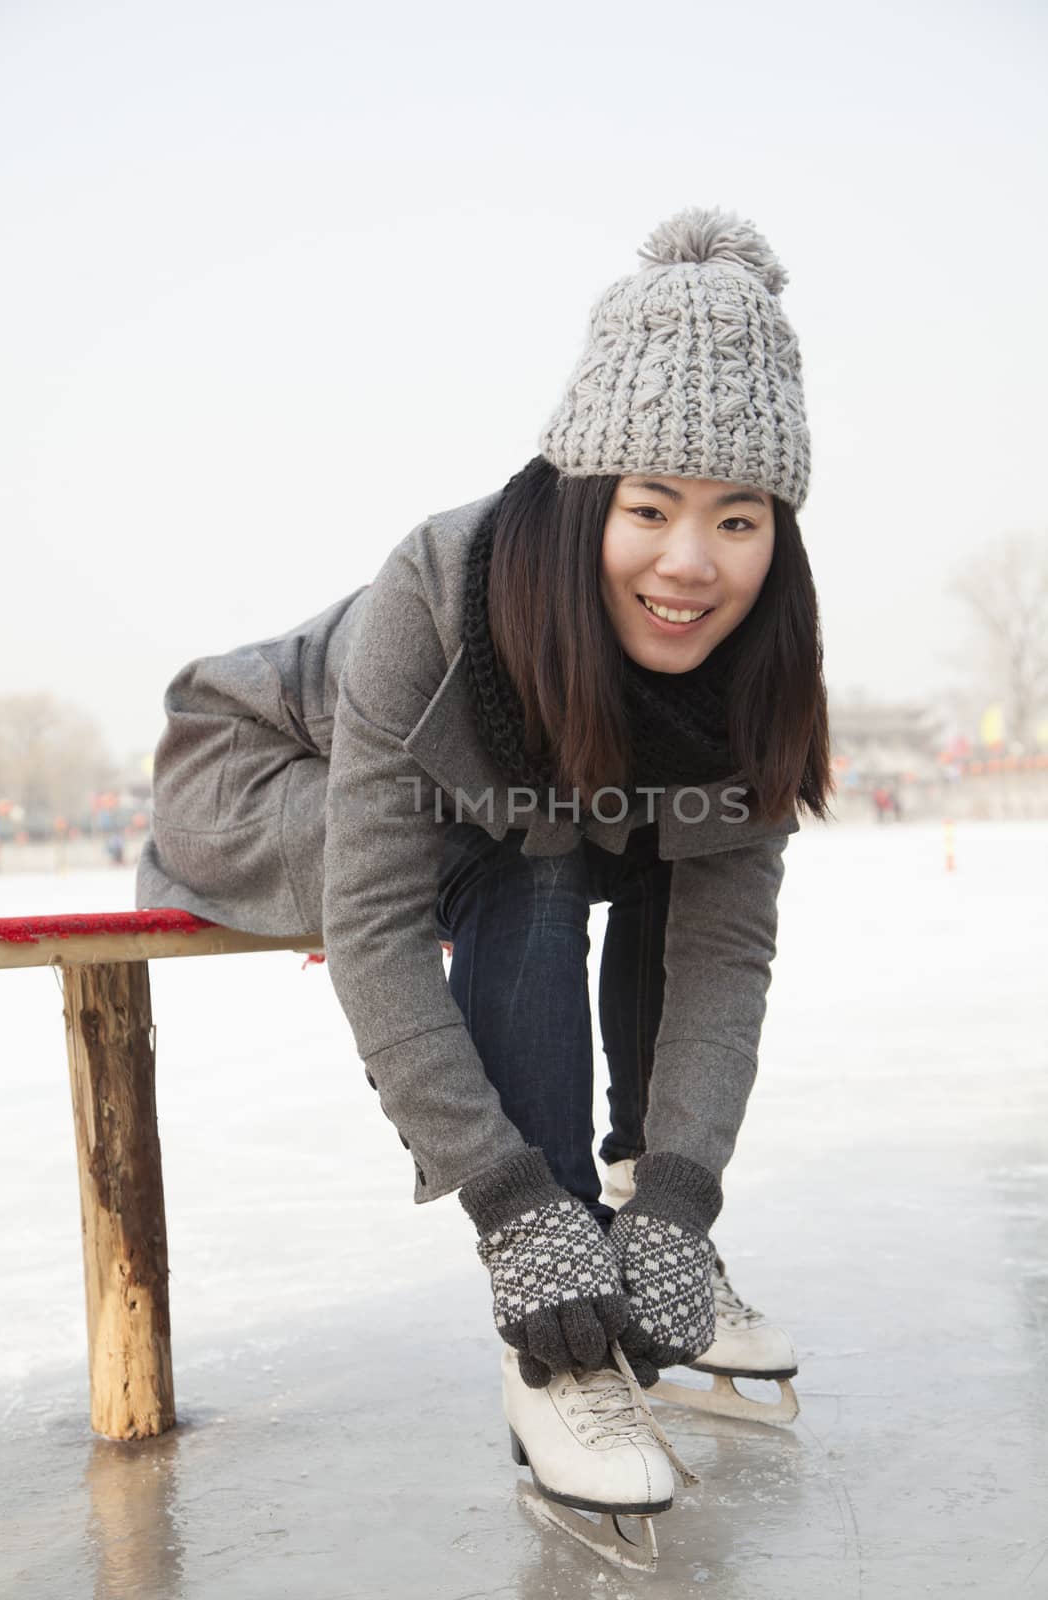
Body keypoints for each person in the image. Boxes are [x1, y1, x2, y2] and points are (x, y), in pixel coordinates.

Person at [136, 204, 833, 1527]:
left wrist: (681, 1193)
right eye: (650, 509)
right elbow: (382, 924)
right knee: (532, 845)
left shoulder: (758, 660)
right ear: (586, 500)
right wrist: (516, 1210)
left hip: (500, 813)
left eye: (739, 520)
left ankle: (632, 1215)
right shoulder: (442, 591)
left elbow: (724, 948)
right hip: (251, 779)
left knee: (634, 839)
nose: (692, 564)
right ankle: (555, 1327)